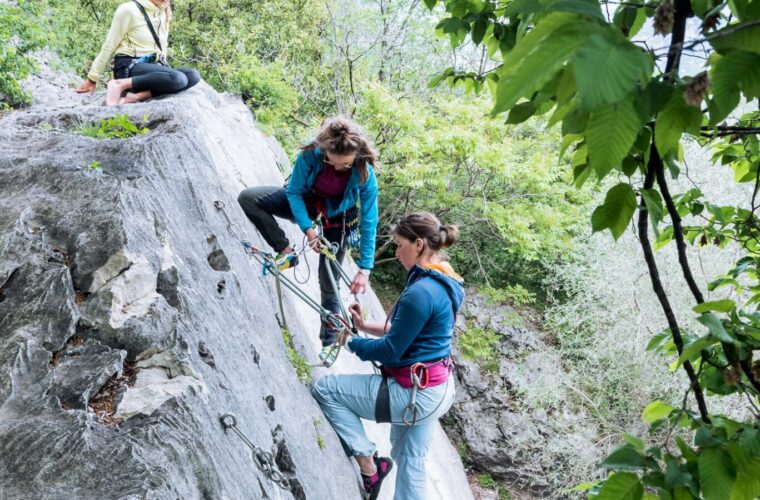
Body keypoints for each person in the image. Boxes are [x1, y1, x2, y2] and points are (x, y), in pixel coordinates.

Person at [312, 211, 464, 500]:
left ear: (418, 244)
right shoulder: (442, 281)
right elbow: (410, 332)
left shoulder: (422, 292)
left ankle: (370, 465)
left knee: (325, 389)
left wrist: (349, 341)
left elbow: (390, 351)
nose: (396, 253)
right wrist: (364, 327)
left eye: (399, 244)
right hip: (436, 388)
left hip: (415, 394)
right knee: (411, 461)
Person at [238, 116, 379, 346]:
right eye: (332, 161)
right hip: (307, 201)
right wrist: (309, 231)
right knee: (249, 199)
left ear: (357, 155)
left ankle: (329, 340)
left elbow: (369, 219)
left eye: (345, 164)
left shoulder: (364, 171)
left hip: (339, 217)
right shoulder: (312, 153)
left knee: (329, 281)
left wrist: (365, 268)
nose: (337, 167)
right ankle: (285, 250)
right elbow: (293, 192)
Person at [74, 0, 200, 106]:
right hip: (128, 66)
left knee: (193, 76)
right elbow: (109, 45)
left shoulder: (163, 11)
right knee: (178, 79)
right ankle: (119, 84)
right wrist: (92, 78)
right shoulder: (128, 10)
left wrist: (163, 73)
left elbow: (162, 46)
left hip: (150, 67)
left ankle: (137, 96)